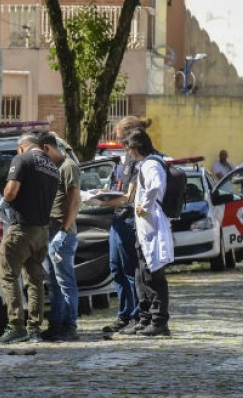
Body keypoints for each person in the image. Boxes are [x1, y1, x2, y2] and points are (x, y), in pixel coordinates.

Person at [0, 132, 60, 344]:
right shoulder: (52, 167)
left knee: (8, 275)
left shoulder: (22, 159)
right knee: (35, 280)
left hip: (21, 227)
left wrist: (4, 200)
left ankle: (15, 326)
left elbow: (11, 192)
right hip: (41, 230)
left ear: (22, 147)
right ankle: (35, 329)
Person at [100, 116, 150, 334]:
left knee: (131, 271)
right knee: (116, 268)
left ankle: (139, 314)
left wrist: (102, 200)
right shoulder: (123, 160)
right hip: (117, 218)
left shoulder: (140, 161)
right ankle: (124, 314)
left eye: (120, 138)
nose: (119, 142)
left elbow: (131, 197)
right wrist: (103, 193)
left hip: (129, 218)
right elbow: (116, 185)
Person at [123, 128, 174, 336]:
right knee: (143, 274)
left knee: (153, 275)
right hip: (146, 227)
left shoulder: (151, 164)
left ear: (137, 147)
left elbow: (155, 186)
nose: (128, 153)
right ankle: (148, 318)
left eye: (129, 148)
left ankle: (159, 320)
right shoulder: (146, 163)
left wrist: (144, 207)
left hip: (152, 225)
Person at [39, 132, 81, 342]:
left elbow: (74, 201)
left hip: (62, 233)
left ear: (48, 148)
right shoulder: (53, 169)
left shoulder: (68, 167)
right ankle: (56, 324)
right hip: (51, 232)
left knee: (65, 282)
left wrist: (63, 231)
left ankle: (69, 325)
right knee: (54, 282)